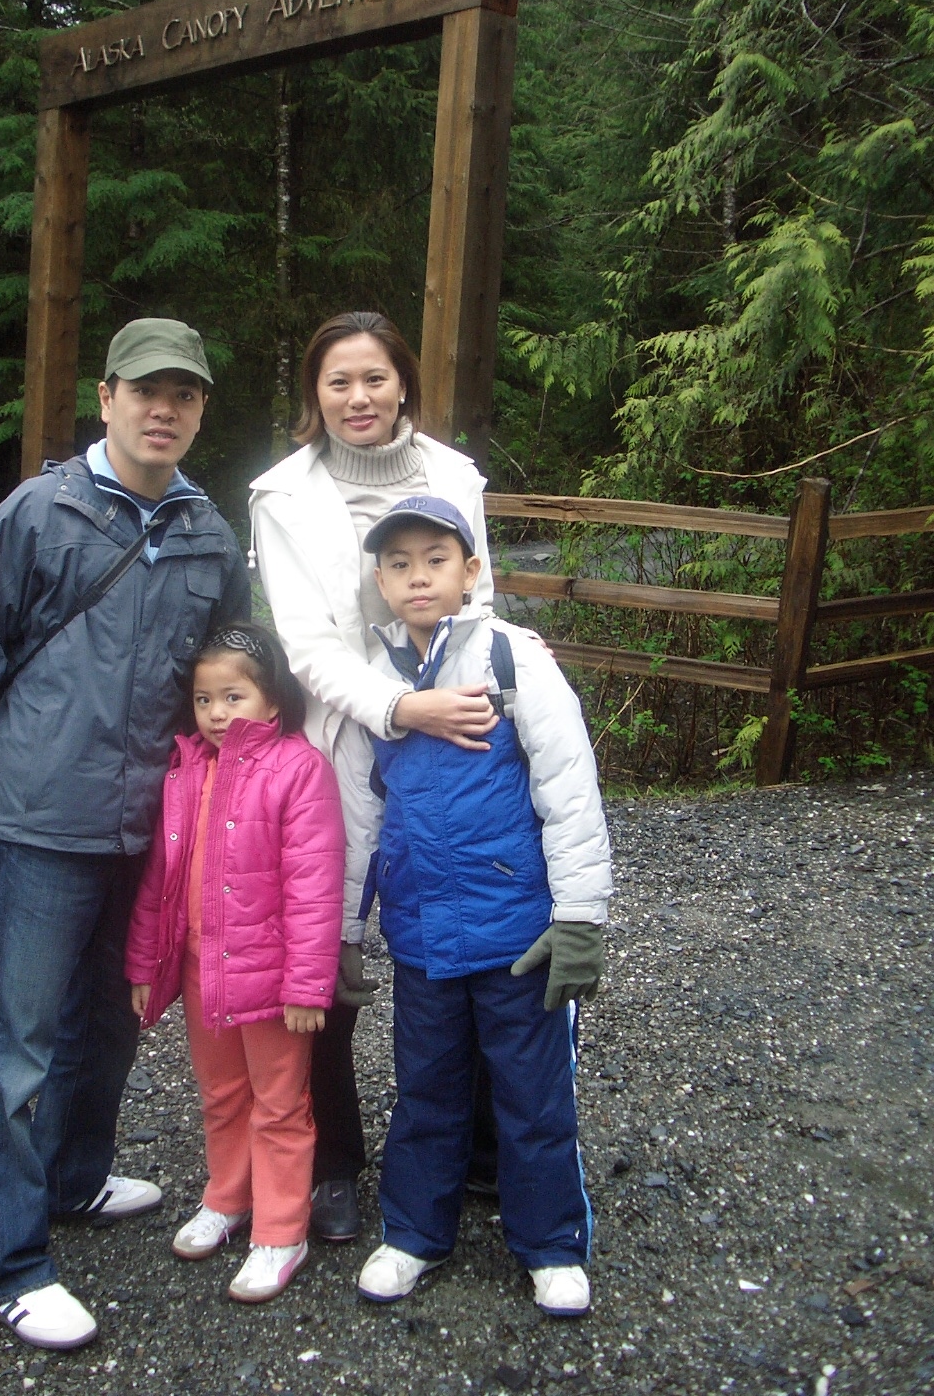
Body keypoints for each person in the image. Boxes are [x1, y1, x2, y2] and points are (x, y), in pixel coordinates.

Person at [0, 318, 251, 1351]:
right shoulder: (41, 512)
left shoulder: (209, 534)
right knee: (15, 1043)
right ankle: (13, 1264)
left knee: (113, 1016)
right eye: (145, 390)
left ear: (200, 411)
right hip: (43, 819)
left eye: (184, 395)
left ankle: (72, 1177)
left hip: (151, 825)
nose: (165, 410)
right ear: (106, 398)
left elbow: (229, 678)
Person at [249, 311, 502, 1242]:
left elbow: (479, 596)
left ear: (403, 385)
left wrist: (468, 696)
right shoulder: (280, 494)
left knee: (467, 932)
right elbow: (307, 647)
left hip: (451, 733)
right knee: (326, 950)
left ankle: (479, 1144)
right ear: (314, 395)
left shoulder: (454, 477)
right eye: (337, 382)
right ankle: (330, 1162)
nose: (358, 398)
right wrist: (401, 706)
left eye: (374, 379)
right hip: (337, 740)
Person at [352, 495, 612, 1315]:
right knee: (425, 1090)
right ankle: (413, 1234)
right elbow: (360, 812)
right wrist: (347, 928)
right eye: (399, 564)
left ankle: (552, 1245)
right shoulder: (373, 678)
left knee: (533, 1096)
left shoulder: (511, 658)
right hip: (421, 937)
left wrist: (580, 919)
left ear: (470, 572)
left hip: (517, 936)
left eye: (435, 560)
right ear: (381, 581)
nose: (417, 577)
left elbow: (570, 790)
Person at [126, 624, 344, 1303]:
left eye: (233, 697)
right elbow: (160, 878)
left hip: (272, 978)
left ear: (273, 700)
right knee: (221, 1093)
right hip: (202, 968)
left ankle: (281, 1229)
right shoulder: (187, 768)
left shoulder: (299, 769)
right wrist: (145, 965)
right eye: (204, 699)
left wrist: (307, 985)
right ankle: (227, 1197)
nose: (217, 713)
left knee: (279, 1103)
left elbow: (315, 888)